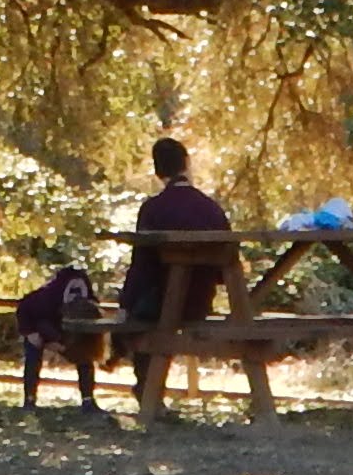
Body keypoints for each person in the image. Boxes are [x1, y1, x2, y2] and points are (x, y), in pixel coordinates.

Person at [111, 136, 234, 420]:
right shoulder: (211, 209)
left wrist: (125, 304)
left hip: (163, 303)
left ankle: (146, 389)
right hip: (200, 302)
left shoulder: (153, 209)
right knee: (150, 314)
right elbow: (224, 267)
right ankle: (147, 391)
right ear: (187, 164)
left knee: (140, 318)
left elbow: (141, 266)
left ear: (158, 172)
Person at [12, 262, 103, 411]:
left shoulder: (89, 305)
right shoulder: (45, 298)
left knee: (86, 357)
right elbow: (24, 307)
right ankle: (29, 400)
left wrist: (67, 345)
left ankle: (88, 401)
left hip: (70, 335)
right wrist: (29, 332)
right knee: (33, 352)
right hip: (41, 328)